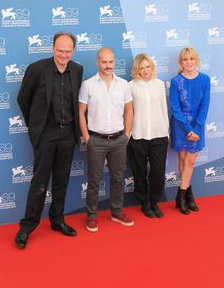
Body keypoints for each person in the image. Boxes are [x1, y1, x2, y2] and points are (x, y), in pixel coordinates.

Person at [14, 32, 83, 249]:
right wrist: (36, 126)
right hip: (46, 134)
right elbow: (23, 99)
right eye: (60, 50)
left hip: (68, 134)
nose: (63, 55)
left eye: (68, 51)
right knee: (40, 182)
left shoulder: (78, 70)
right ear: (53, 48)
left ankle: (57, 220)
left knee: (61, 180)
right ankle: (27, 227)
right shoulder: (36, 69)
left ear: (73, 51)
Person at [79, 47, 134, 232]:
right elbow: (81, 112)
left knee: (118, 178)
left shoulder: (124, 84)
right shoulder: (88, 85)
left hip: (119, 139)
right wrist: (87, 137)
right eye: (104, 62)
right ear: (97, 62)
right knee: (94, 180)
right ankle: (92, 216)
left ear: (114, 62)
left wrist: (127, 134)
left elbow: (129, 110)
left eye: (111, 61)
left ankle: (117, 212)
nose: (108, 65)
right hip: (96, 140)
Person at [169, 47, 210, 215]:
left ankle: (181, 195)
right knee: (183, 159)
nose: (189, 62)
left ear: (197, 60)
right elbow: (175, 108)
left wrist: (197, 128)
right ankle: (188, 195)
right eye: (185, 59)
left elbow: (205, 105)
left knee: (190, 162)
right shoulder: (175, 81)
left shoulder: (205, 79)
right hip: (180, 126)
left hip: (198, 127)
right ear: (181, 62)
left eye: (192, 58)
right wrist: (187, 128)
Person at [128, 54, 169, 218]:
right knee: (139, 172)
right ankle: (144, 203)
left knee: (158, 172)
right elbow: (128, 112)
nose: (145, 71)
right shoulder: (131, 86)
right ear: (137, 69)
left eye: (148, 67)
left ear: (152, 67)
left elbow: (163, 108)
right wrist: (129, 133)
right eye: (141, 68)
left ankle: (154, 202)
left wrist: (166, 131)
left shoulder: (159, 84)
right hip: (138, 136)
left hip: (159, 135)